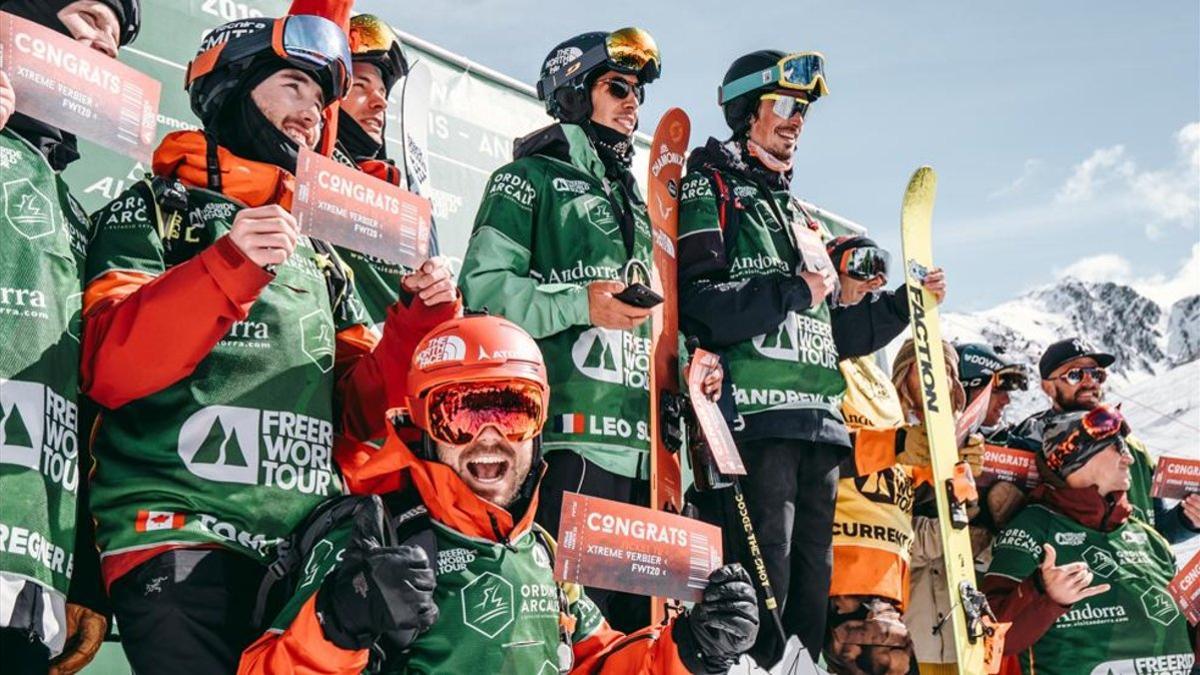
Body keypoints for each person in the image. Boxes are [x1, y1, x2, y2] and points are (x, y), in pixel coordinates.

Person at [80, 9, 456, 672]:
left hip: (302, 550)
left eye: (319, 98)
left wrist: (412, 329)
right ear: (228, 86)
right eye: (292, 87)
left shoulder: (317, 250)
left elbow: (353, 420)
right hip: (179, 538)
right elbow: (111, 367)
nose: (312, 112)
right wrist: (226, 269)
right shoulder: (154, 209)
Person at [239, 314, 760, 675]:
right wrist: (339, 622)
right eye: (461, 414)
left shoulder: (540, 550)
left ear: (538, 426)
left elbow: (596, 663)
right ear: (423, 424)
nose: (489, 438)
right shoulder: (373, 540)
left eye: (512, 413)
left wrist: (691, 649)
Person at [674, 51, 945, 666]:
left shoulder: (803, 215)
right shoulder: (711, 185)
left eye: (805, 110)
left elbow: (835, 332)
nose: (798, 120)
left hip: (820, 426)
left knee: (807, 596)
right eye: (787, 105)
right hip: (753, 420)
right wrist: (791, 288)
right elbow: (699, 304)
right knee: (760, 586)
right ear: (746, 111)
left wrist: (906, 306)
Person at [458, 26, 721, 632]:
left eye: (638, 92)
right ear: (575, 94)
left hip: (646, 460)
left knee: (638, 637)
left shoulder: (641, 200)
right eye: (618, 87)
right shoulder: (526, 180)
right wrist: (580, 302)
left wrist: (687, 363)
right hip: (567, 449)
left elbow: (655, 321)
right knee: (566, 632)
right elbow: (482, 291)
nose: (634, 103)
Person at [0, 1, 139, 673]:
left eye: (114, 43)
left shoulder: (76, 212)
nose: (101, 48)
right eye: (85, 18)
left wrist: (84, 572)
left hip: (27, 573)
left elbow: (89, 403)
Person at [984, 405, 1195, 674]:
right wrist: (1044, 594)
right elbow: (989, 638)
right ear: (1077, 458)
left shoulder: (1148, 537)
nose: (1128, 458)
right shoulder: (1033, 528)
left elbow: (1183, 637)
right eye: (1117, 446)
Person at [1011, 338, 1199, 544]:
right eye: (1075, 375)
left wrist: (1189, 518)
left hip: (1133, 572)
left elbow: (1157, 530)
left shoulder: (1133, 448)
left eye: (1097, 374)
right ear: (1047, 387)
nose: (1090, 382)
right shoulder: (1028, 442)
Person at [887, 339, 985, 675]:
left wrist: (974, 494)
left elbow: (981, 547)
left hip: (961, 635)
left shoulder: (964, 439)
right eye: (923, 369)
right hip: (909, 630)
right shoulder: (888, 437)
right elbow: (894, 538)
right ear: (902, 374)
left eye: (945, 371)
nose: (934, 380)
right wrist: (948, 527)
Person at [954, 342, 1029, 445]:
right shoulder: (929, 433)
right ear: (962, 393)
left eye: (1008, 392)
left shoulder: (1008, 441)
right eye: (995, 391)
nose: (1006, 401)